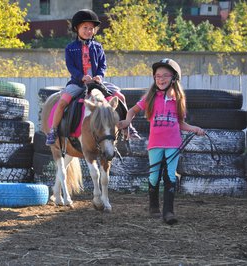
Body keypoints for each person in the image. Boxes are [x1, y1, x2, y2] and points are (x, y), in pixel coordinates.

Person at [118, 58, 205, 224]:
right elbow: (132, 110)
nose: (161, 79)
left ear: (174, 78)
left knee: (170, 175)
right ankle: (153, 206)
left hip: (173, 143)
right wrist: (127, 121)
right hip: (155, 144)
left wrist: (195, 129)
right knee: (154, 176)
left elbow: (180, 123)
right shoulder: (150, 98)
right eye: (158, 76)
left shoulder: (178, 100)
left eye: (165, 75)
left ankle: (169, 212)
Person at [45, 9, 140, 145]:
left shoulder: (98, 47)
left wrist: (99, 76)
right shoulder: (70, 48)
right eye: (85, 28)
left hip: (97, 82)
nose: (88, 31)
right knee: (62, 102)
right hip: (78, 83)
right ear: (77, 28)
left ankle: (127, 126)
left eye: (91, 28)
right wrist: (81, 77)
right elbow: (70, 67)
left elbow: (102, 65)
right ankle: (53, 130)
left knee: (121, 97)